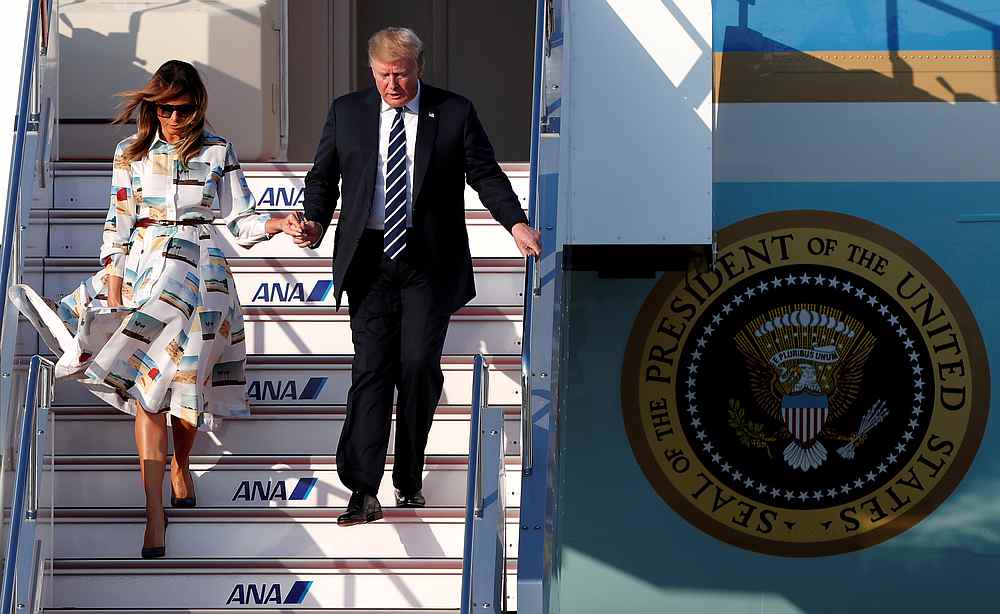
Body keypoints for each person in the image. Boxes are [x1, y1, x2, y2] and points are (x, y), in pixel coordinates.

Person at [9, 60, 299, 557]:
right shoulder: (131, 153)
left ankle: (181, 464)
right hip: (147, 272)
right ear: (152, 107)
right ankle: (154, 512)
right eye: (164, 108)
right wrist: (116, 284)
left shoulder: (218, 151)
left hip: (202, 280)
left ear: (197, 105)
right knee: (149, 392)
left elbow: (241, 220)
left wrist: (279, 224)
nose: (173, 117)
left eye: (183, 108)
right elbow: (117, 223)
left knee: (185, 389)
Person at [289, 27, 541, 526]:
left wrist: (514, 222)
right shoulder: (348, 111)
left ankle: (408, 474)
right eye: (383, 74)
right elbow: (323, 177)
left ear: (418, 68)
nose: (392, 84)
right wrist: (313, 221)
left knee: (418, 368)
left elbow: (485, 173)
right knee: (371, 372)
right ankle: (362, 488)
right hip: (369, 260)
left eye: (401, 74)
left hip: (428, 263)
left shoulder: (453, 111)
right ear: (372, 71)